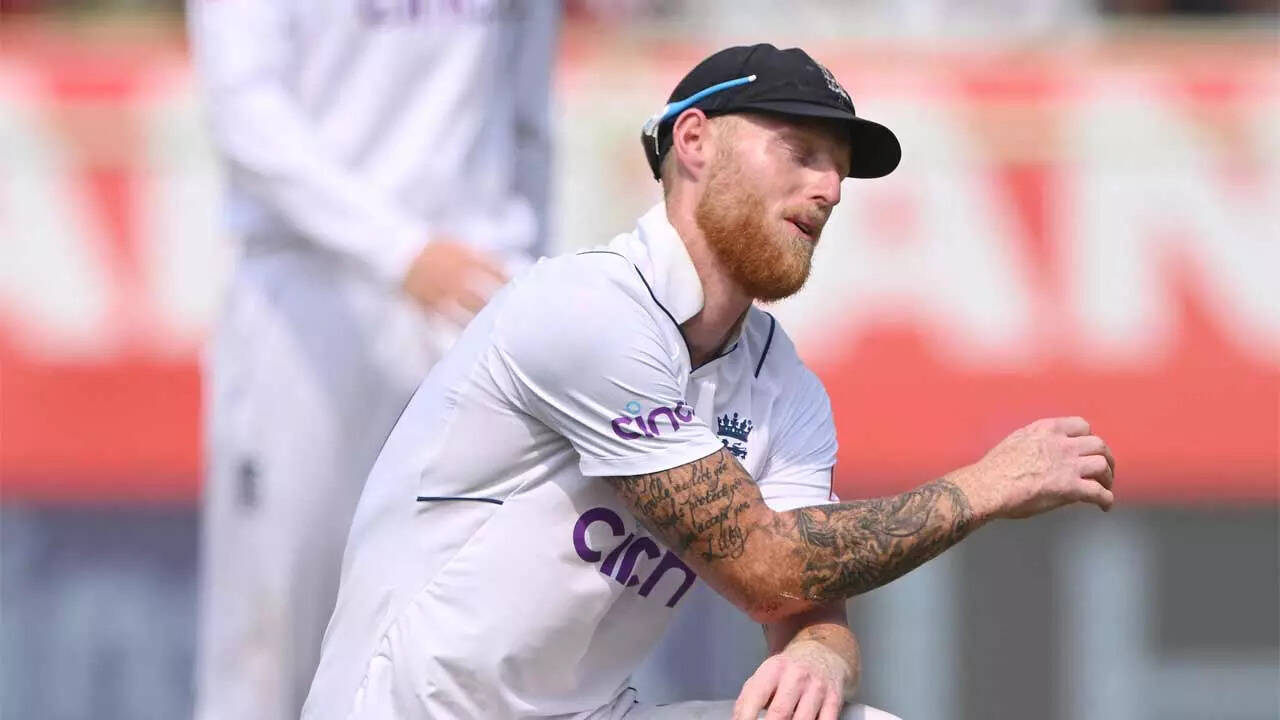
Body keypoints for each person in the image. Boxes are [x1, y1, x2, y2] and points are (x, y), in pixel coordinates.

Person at [302, 43, 1116, 720]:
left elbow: (802, 600)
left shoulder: (785, 385)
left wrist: (821, 659)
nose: (830, 189)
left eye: (839, 169)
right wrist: (984, 487)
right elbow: (766, 564)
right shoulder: (587, 308)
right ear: (694, 141)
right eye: (801, 152)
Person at [187, 2, 560, 719]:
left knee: (479, 638)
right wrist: (400, 249)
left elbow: (528, 116)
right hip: (310, 294)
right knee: (273, 639)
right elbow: (246, 111)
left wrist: (534, 275)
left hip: (478, 294)